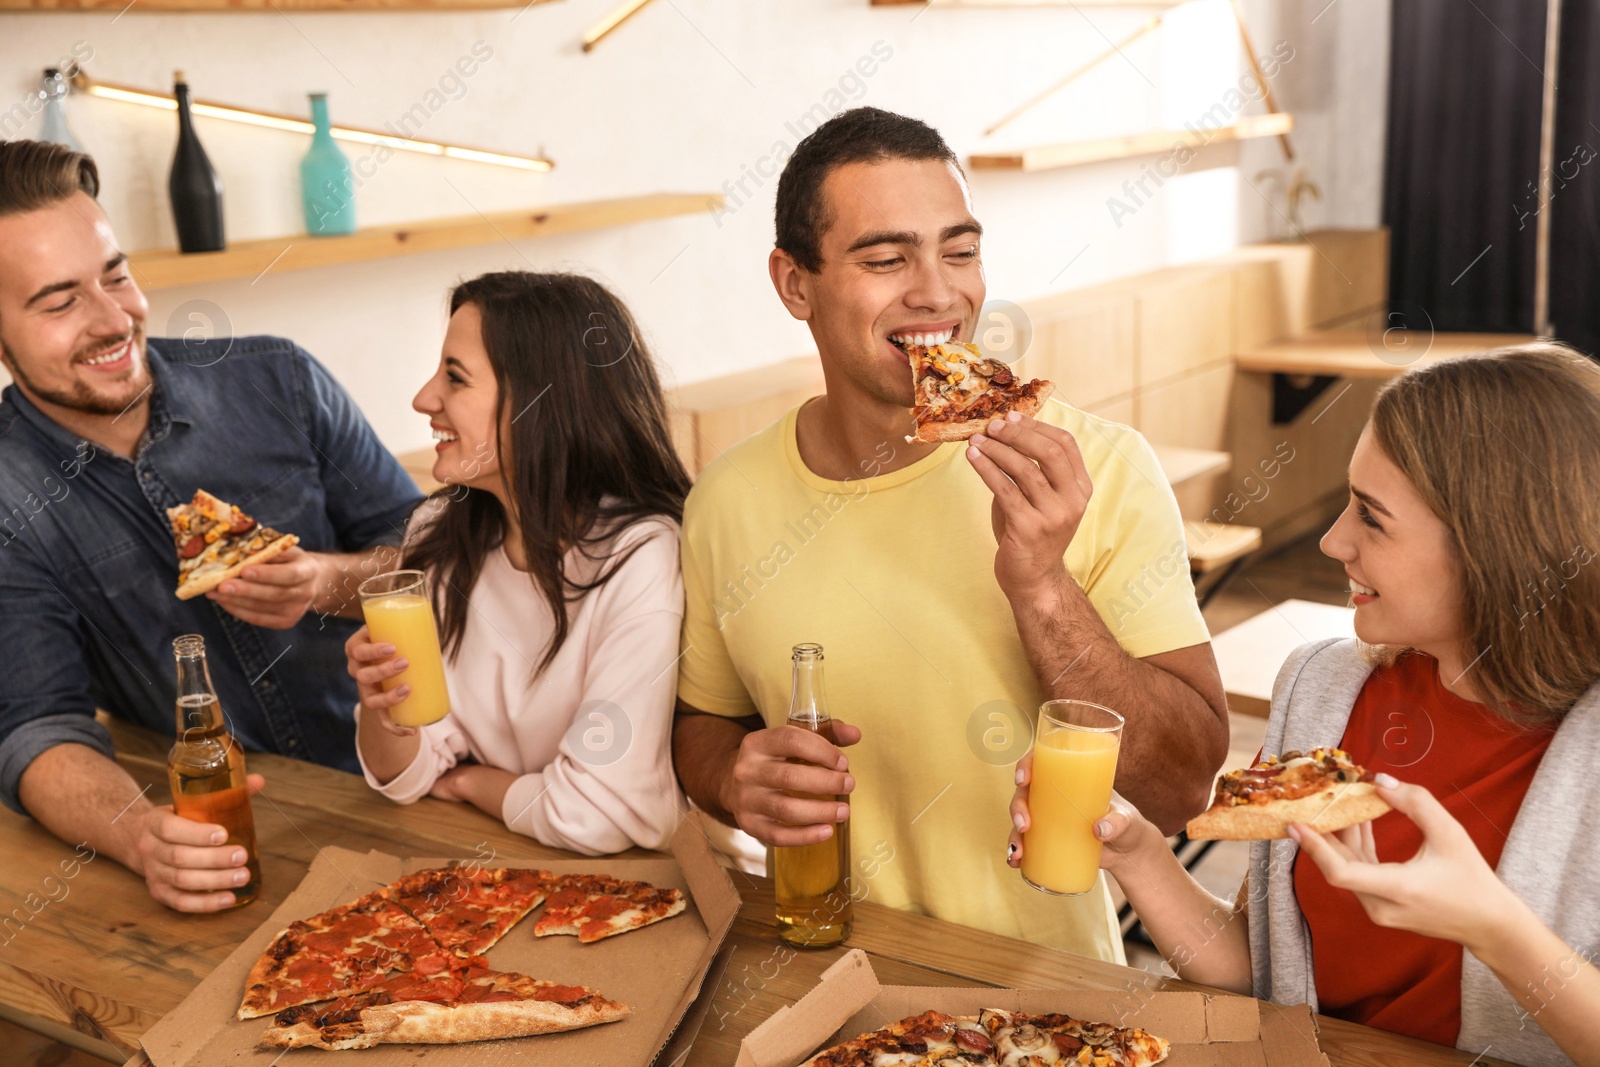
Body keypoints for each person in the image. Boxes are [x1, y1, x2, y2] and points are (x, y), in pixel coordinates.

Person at [670, 107, 1228, 958]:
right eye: (887, 258)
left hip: (1047, 1004)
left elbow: (1186, 785)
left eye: (960, 251)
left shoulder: (1099, 466)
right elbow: (702, 724)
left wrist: (1042, 584)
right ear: (794, 284)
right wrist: (729, 777)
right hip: (816, 974)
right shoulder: (725, 498)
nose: (939, 292)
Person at [1010, 345, 1600, 1065]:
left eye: (1372, 518)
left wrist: (1495, 927)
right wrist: (1136, 852)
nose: (1331, 539)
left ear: (1498, 548)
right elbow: (1258, 971)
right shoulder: (1320, 689)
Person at [0, 141, 422, 912]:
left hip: (425, 776)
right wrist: (139, 835)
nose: (112, 318)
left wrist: (327, 582)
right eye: (59, 302)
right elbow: (39, 727)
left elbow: (435, 555)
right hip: (243, 835)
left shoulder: (278, 377)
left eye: (117, 274)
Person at [348, 271, 689, 855]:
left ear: (542, 403)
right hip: (499, 862)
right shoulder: (442, 534)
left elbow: (600, 815)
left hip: (638, 890)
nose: (424, 398)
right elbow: (408, 777)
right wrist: (385, 713)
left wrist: (478, 784)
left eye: (455, 378)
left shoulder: (641, 556)